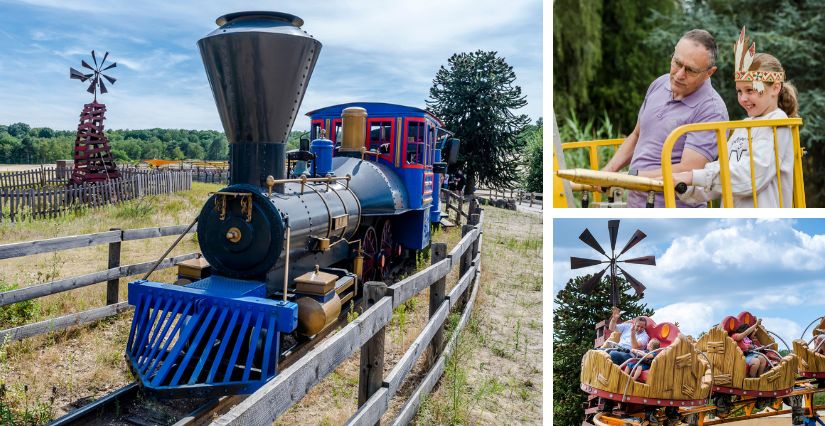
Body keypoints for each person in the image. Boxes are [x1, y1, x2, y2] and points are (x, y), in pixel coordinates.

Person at [602, 29, 729, 208]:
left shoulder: (712, 110)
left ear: (709, 73)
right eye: (677, 63)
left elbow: (689, 169)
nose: (679, 75)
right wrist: (608, 172)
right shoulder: (659, 84)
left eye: (690, 70)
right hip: (637, 203)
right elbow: (637, 135)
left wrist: (629, 178)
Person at [673, 27, 798, 207]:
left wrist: (693, 176)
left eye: (750, 90)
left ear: (775, 88)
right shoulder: (743, 126)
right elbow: (724, 172)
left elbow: (752, 176)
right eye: (739, 91)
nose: (743, 98)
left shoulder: (779, 124)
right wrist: (686, 186)